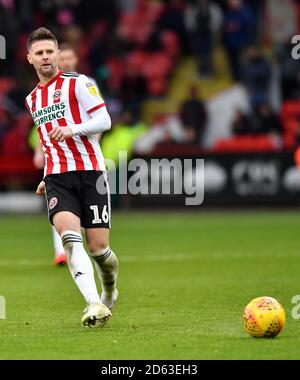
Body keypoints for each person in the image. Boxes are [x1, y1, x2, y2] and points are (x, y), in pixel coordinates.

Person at [25, 27, 118, 328]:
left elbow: (105, 119)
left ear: (57, 55)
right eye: (39, 53)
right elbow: (46, 141)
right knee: (68, 237)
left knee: (99, 249)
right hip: (57, 178)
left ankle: (109, 290)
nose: (45, 57)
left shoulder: (78, 83)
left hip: (91, 172)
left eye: (49, 51)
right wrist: (46, 175)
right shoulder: (32, 100)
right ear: (30, 59)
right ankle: (93, 303)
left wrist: (72, 129)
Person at [33, 43, 100, 266]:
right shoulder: (42, 92)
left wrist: (93, 148)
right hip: (58, 162)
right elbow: (42, 124)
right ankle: (61, 250)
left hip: (86, 157)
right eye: (65, 59)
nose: (67, 62)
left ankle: (90, 247)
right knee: (60, 207)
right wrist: (41, 152)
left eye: (70, 58)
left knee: (90, 226)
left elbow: (99, 118)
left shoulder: (84, 83)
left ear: (75, 60)